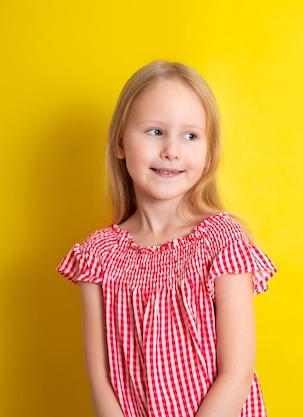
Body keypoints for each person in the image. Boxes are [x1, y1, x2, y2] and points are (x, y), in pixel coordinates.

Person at [57, 60, 277, 417]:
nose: (172, 150)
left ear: (208, 154)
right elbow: (101, 382)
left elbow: (236, 375)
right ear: (120, 144)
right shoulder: (97, 256)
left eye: (190, 135)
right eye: (155, 131)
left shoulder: (222, 241)